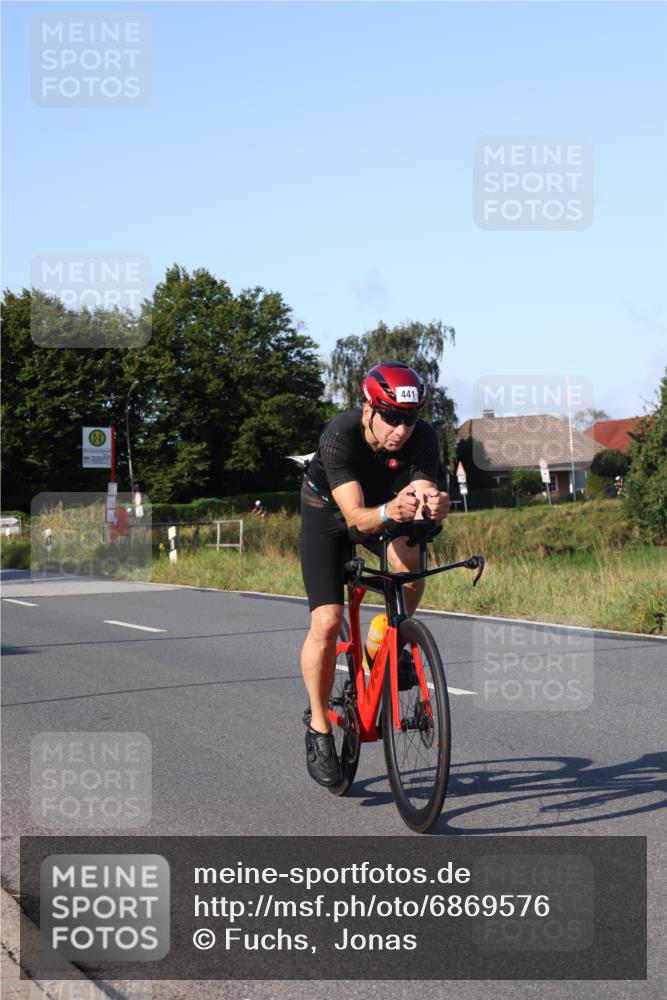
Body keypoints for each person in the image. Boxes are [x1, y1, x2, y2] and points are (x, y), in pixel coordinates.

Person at [299, 361, 451, 786]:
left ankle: (386, 641)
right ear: (368, 409)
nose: (401, 430)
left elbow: (421, 499)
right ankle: (318, 726)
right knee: (326, 622)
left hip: (384, 508)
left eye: (410, 418)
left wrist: (436, 508)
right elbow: (354, 518)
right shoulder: (339, 434)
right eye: (391, 418)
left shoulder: (423, 439)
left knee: (410, 567)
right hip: (329, 512)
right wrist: (389, 510)